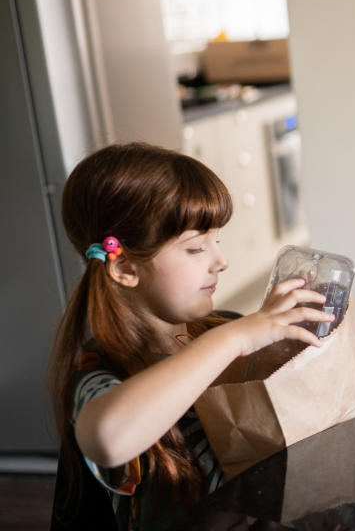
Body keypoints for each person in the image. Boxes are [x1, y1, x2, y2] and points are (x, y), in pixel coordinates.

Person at [49, 142, 331, 530]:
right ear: (127, 268)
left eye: (216, 240)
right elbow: (109, 439)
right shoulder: (99, 373)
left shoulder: (221, 326)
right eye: (196, 247)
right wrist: (235, 339)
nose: (221, 260)